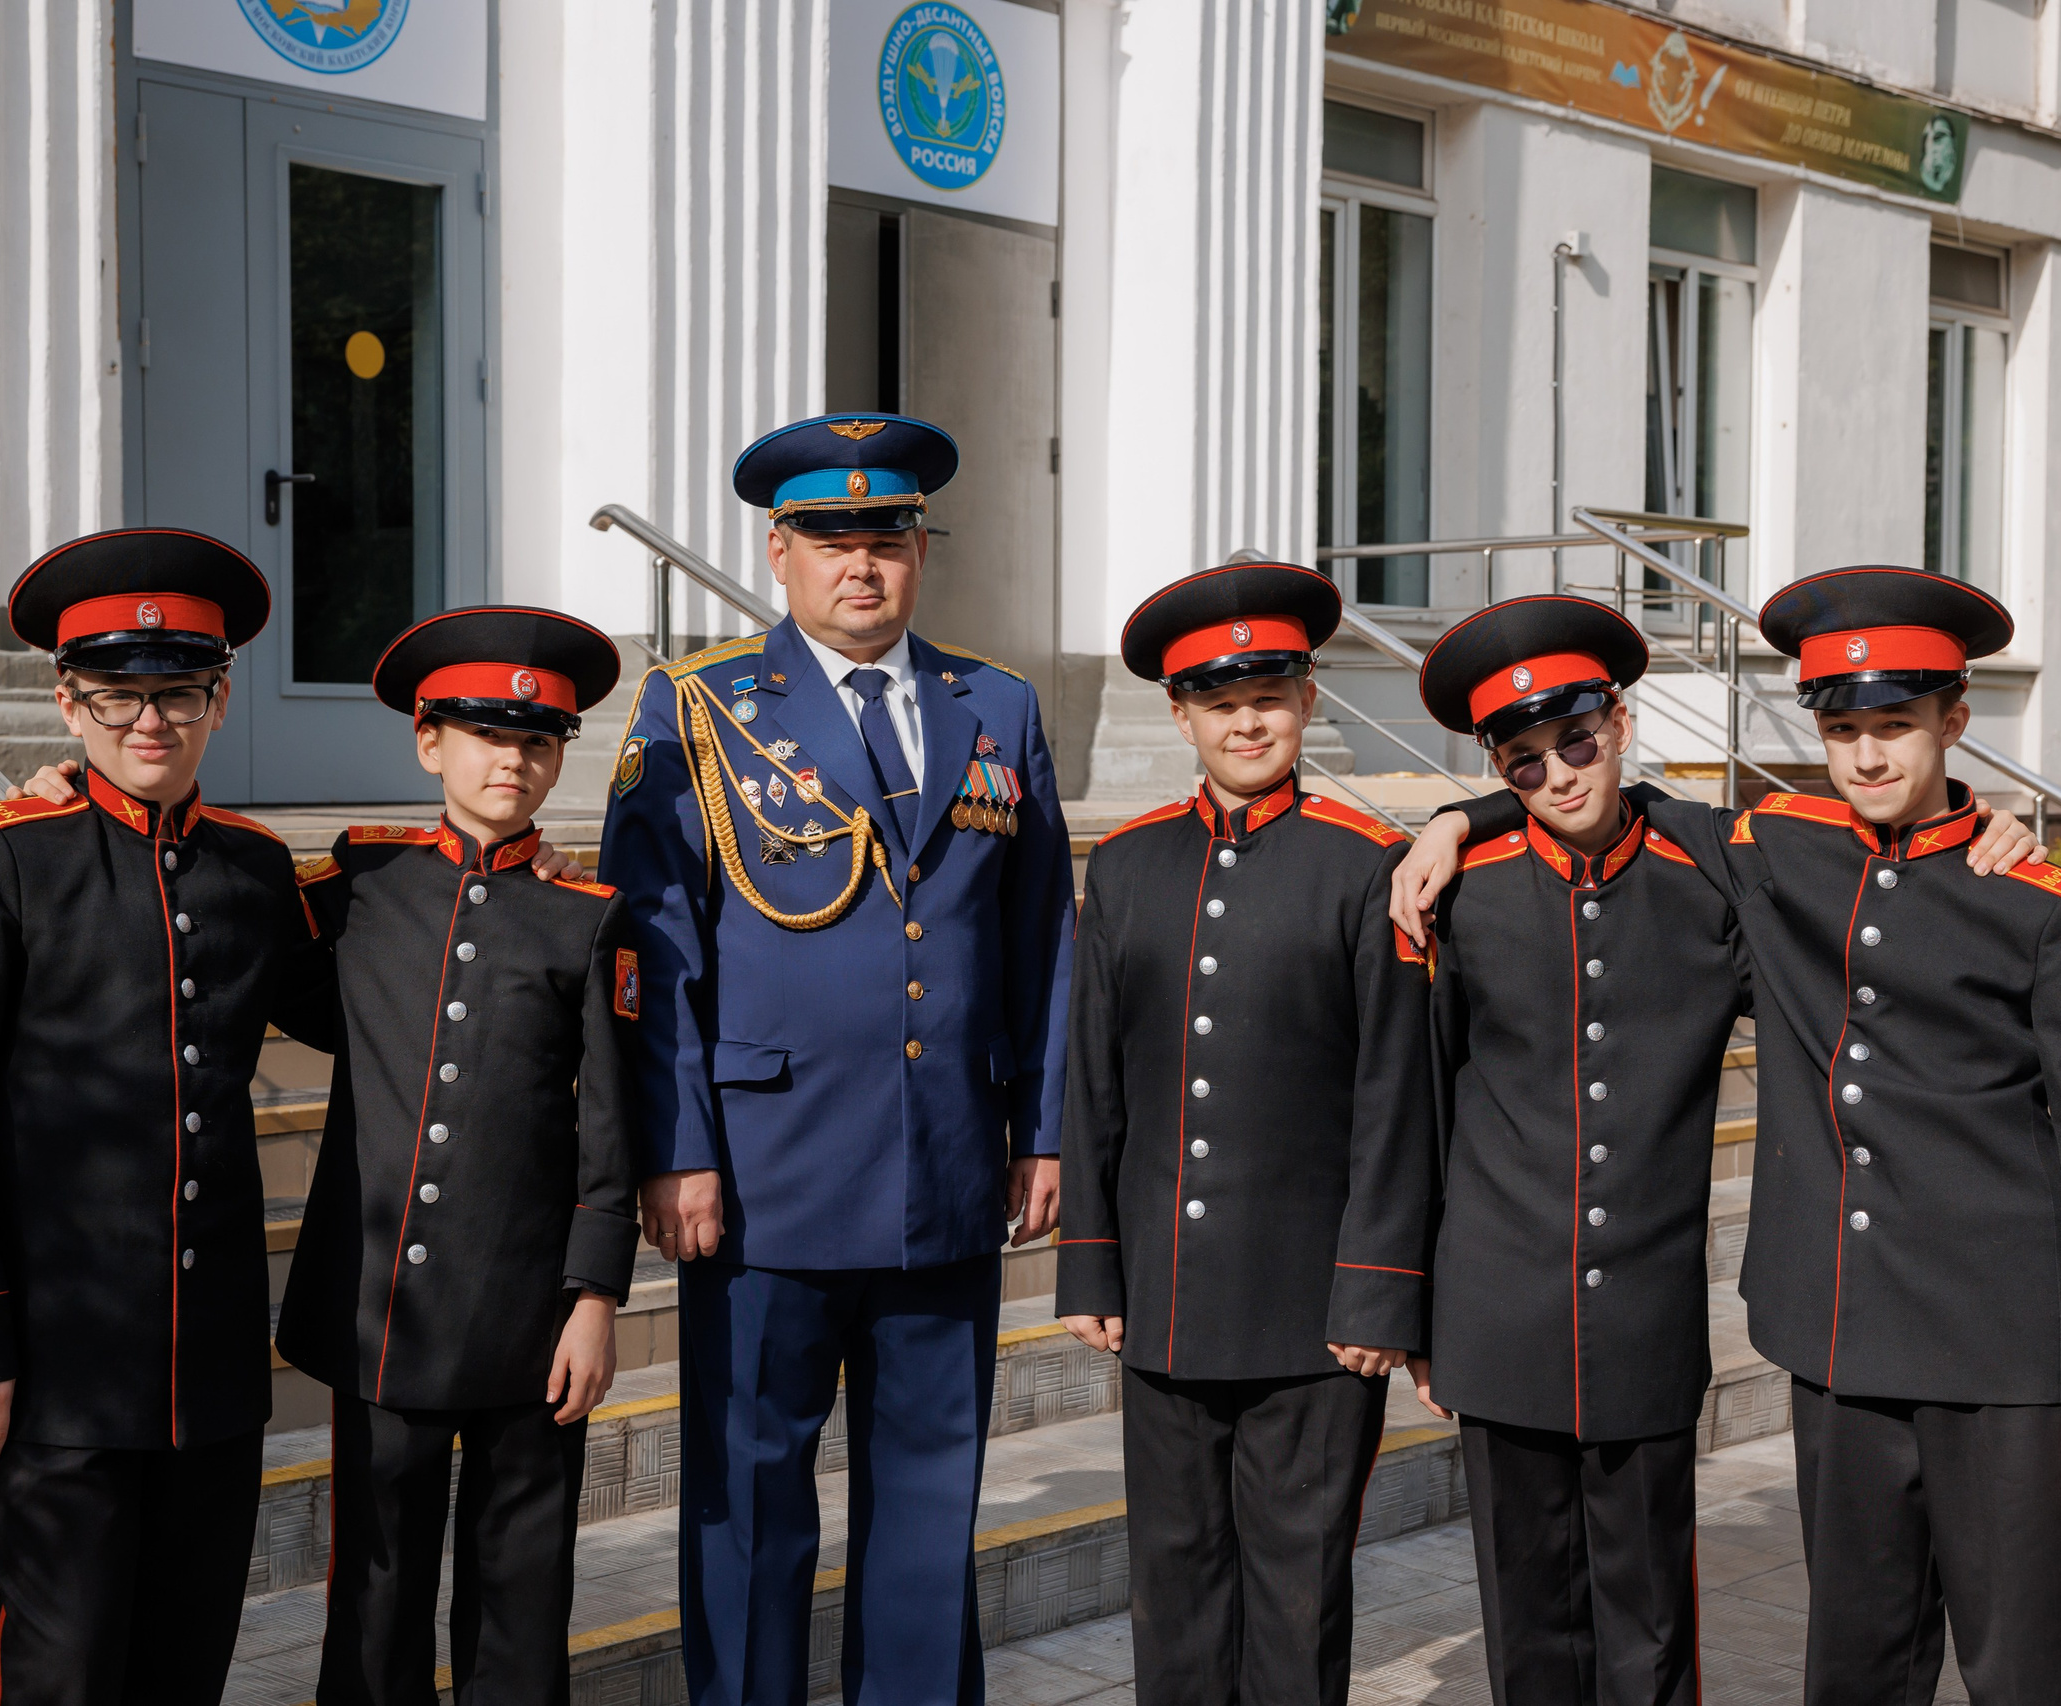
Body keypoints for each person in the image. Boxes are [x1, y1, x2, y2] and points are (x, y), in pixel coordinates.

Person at [1396, 567, 2061, 1705]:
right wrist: (1462, 815)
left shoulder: (2035, 898)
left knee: (2027, 1668)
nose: (1865, 756)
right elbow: (1595, 804)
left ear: (1954, 719)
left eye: (1894, 725)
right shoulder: (1775, 845)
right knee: (1852, 1667)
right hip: (1839, 1337)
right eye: (1841, 729)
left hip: (2008, 1355)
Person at [599, 412, 1074, 1706]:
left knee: (929, 1504)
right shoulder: (701, 708)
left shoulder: (999, 707)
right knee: (751, 1506)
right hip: (762, 1185)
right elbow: (657, 952)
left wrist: (1040, 1129)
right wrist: (678, 1147)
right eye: (829, 539)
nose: (859, 564)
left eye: (887, 536)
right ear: (780, 551)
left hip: (944, 1177)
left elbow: (1039, 936)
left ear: (921, 550)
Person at [0, 528, 340, 1705]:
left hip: (210, 1367)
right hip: (49, 1366)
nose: (150, 721)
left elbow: (372, 999)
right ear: (67, 702)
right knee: (64, 1665)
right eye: (117, 695)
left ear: (220, 697)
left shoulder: (250, 869)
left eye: (177, 690)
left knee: (183, 1660)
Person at [1054, 562, 1435, 1706]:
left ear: (1308, 698)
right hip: (1165, 1294)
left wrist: (1376, 1289)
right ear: (1180, 715)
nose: (1247, 721)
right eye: (1219, 702)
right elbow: (1094, 1083)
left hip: (1313, 1309)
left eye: (1267, 694)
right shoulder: (1125, 865)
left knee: (1296, 1587)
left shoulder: (1365, 863)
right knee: (1172, 1581)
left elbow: (1396, 1094)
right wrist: (1090, 1259)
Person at [274, 608, 642, 1705]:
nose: (512, 759)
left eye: (538, 739)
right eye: (485, 733)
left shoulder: (586, 917)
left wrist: (594, 1295)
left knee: (522, 1590)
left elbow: (611, 1124)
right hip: (380, 1308)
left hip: (529, 1314)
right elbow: (203, 904)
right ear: (428, 741)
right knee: (376, 1589)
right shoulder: (358, 888)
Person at [1408, 595, 1745, 1706]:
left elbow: (1842, 857)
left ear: (1622, 724)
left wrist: (1984, 818)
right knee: (1530, 1624)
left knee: (1648, 1628)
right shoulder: (1468, 893)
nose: (1557, 775)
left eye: (1577, 741)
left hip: (1643, 1317)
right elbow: (1417, 1102)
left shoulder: (1711, 874)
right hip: (1497, 1314)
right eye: (1522, 763)